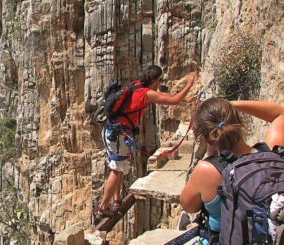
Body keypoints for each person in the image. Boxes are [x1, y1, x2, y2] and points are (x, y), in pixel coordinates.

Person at [95, 65, 196, 220]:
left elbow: (162, 96)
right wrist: (189, 84)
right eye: (159, 80)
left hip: (112, 132)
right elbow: (173, 100)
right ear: (155, 80)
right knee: (117, 169)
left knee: (118, 167)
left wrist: (185, 99)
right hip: (119, 135)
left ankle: (117, 200)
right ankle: (102, 208)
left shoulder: (136, 85)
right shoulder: (146, 93)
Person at [180, 98, 284, 244]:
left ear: (206, 139)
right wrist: (231, 104)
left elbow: (188, 205)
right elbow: (280, 114)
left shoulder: (206, 170)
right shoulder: (271, 152)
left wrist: (210, 155)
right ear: (240, 123)